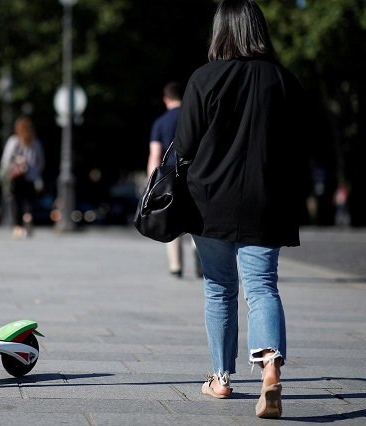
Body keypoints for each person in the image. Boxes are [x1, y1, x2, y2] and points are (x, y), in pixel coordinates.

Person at [174, 0, 306, 418]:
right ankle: (270, 369)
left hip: (208, 201)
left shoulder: (203, 79)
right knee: (263, 286)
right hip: (266, 201)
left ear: (220, 32)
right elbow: (300, 147)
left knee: (218, 287)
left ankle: (221, 379)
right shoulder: (283, 80)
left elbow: (186, 144)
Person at [147, 82, 201, 278]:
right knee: (196, 219)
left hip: (170, 177)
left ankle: (176, 266)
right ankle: (200, 256)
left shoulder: (160, 122)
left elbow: (155, 154)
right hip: (194, 174)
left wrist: (152, 183)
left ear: (165, 99)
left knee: (171, 218)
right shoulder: (194, 118)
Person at [0, 116, 45, 238]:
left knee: (15, 202)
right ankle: (28, 217)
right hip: (31, 178)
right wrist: (35, 173)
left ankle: (18, 228)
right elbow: (41, 162)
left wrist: (9, 169)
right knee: (28, 202)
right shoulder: (35, 143)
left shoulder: (14, 141)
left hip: (16, 178)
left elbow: (6, 160)